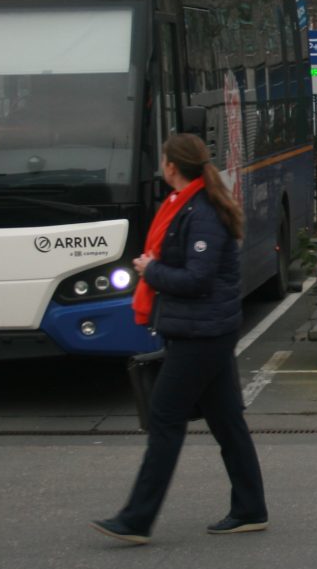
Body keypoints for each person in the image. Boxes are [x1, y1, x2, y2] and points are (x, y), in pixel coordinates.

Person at [94, 132, 268, 545]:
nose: (161, 165)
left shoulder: (201, 212)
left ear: (172, 166)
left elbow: (197, 279)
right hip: (204, 329)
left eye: (164, 160)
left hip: (201, 333)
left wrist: (150, 270)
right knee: (227, 423)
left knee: (165, 418)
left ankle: (136, 518)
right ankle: (250, 509)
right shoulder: (189, 204)